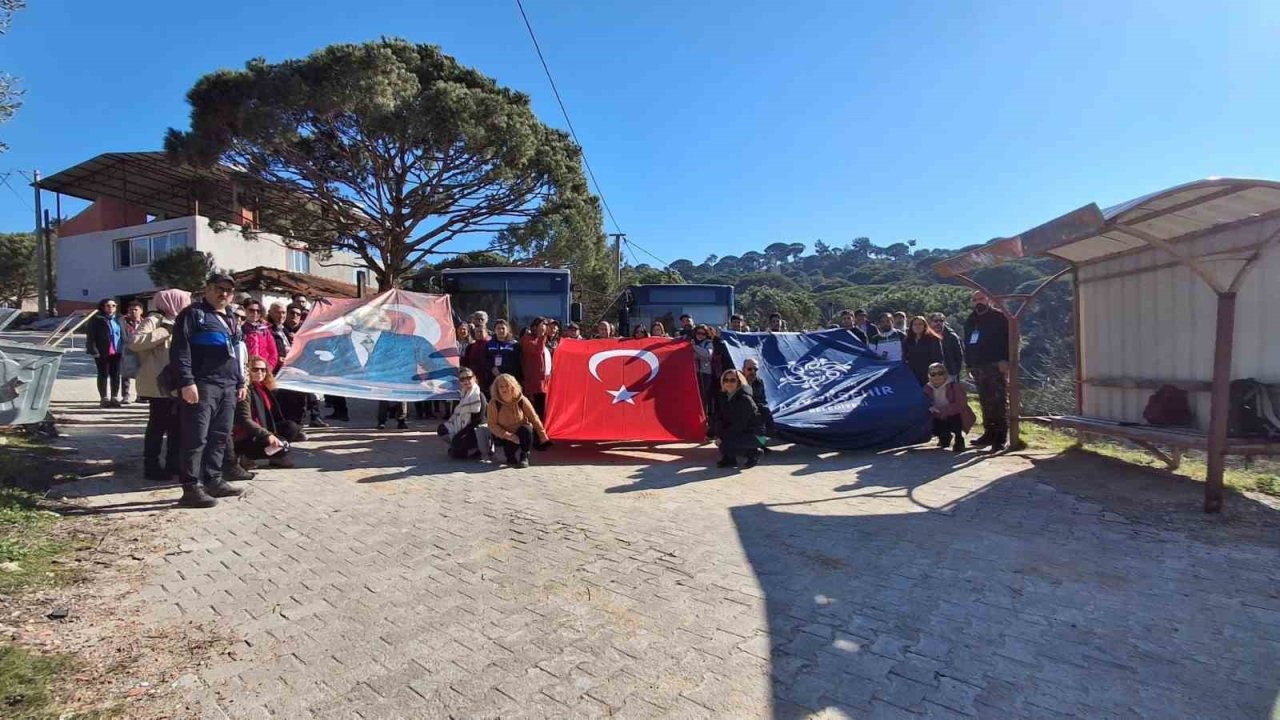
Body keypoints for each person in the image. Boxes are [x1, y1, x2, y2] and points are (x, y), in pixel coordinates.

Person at [170, 273, 247, 508]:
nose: (223, 293)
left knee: (220, 436)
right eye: (218, 288)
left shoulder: (231, 317)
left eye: (228, 290)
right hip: (202, 385)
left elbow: (237, 352)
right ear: (207, 289)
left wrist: (240, 382)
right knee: (196, 438)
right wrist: (186, 382)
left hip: (228, 386)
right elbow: (180, 350)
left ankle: (214, 479)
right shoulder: (193, 314)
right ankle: (191, 488)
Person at [130, 289, 191, 481]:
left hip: (177, 384)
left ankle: (173, 465)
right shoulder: (154, 320)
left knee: (176, 428)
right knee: (157, 427)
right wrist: (165, 331)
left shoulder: (183, 321)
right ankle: (152, 466)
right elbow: (135, 342)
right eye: (184, 301)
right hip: (159, 385)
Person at [234, 356, 304, 469]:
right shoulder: (245, 391)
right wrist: (268, 435)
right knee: (281, 447)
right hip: (247, 434)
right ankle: (245, 456)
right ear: (247, 371)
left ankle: (275, 457)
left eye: (263, 369)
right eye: (255, 369)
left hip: (263, 428)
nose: (260, 372)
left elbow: (274, 416)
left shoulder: (263, 388)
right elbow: (244, 420)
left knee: (290, 427)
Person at [964, 292, 1011, 452]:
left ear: (989, 300)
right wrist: (969, 365)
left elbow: (1010, 338)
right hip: (978, 366)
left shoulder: (999, 317)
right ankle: (988, 434)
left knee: (998, 401)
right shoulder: (971, 319)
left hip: (996, 364)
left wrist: (1006, 359)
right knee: (985, 401)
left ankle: (1000, 438)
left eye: (981, 299)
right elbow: (967, 343)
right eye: (975, 300)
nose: (978, 302)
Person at [487, 373, 550, 468]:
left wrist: (542, 434)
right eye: (501, 386)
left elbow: (534, 417)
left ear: (512, 387)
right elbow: (492, 425)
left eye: (507, 386)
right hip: (505, 434)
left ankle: (524, 456)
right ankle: (511, 456)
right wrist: (508, 436)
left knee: (527, 431)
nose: (504, 389)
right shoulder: (493, 403)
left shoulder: (522, 400)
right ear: (497, 388)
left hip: (521, 429)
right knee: (510, 457)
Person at [712, 369, 761, 469]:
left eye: (732, 380)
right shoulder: (723, 397)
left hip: (758, 435)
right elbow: (719, 417)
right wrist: (716, 433)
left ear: (739, 382)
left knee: (727, 440)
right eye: (726, 380)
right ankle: (729, 458)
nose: (729, 383)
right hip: (740, 431)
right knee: (722, 438)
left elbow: (741, 423)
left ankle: (753, 453)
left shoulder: (745, 399)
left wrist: (723, 436)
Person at [441, 368, 490, 461]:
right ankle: (460, 446)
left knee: (457, 448)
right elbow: (456, 414)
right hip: (465, 426)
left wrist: (461, 433)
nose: (466, 381)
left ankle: (477, 449)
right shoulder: (462, 395)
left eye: (469, 377)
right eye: (462, 379)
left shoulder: (479, 395)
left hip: (478, 429)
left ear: (474, 378)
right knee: (443, 429)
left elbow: (478, 420)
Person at [924, 362, 974, 453]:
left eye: (940, 373)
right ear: (929, 376)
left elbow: (961, 404)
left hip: (954, 415)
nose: (937, 376)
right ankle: (944, 436)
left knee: (955, 418)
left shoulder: (954, 386)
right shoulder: (926, 389)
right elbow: (924, 404)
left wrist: (944, 411)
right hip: (937, 416)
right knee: (931, 423)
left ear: (945, 374)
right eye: (933, 374)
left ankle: (959, 439)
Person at [86, 298, 125, 407]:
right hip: (102, 351)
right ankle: (104, 398)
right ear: (103, 307)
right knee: (103, 374)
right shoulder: (97, 319)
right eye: (108, 305)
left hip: (117, 351)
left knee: (116, 374)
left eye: (114, 305)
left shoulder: (119, 319)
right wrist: (93, 349)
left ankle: (115, 397)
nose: (111, 308)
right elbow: (91, 336)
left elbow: (123, 334)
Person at [520, 317, 552, 418]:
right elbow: (538, 351)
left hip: (545, 381)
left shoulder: (543, 339)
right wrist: (541, 335)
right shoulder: (527, 338)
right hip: (534, 383)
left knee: (545, 410)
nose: (545, 328)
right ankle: (537, 432)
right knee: (538, 411)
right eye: (543, 325)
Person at [741, 358, 775, 450]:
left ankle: (760, 444)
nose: (752, 372)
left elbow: (762, 399)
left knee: (765, 414)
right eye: (749, 369)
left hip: (756, 408)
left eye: (755, 369)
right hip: (740, 410)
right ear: (743, 369)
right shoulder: (736, 380)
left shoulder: (759, 381)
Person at [904, 315, 945, 385]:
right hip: (913, 375)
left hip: (929, 375)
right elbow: (905, 356)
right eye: (915, 324)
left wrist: (935, 374)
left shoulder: (933, 339)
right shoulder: (908, 341)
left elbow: (938, 358)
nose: (917, 326)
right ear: (911, 326)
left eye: (920, 324)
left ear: (924, 326)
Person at [241, 299, 279, 373]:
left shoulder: (264, 330)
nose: (255, 313)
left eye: (258, 311)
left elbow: (273, 352)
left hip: (262, 370)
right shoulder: (240, 329)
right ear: (244, 310)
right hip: (245, 370)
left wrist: (268, 368)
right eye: (251, 310)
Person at [485, 319, 522, 392]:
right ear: (495, 330)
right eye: (498, 328)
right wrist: (492, 368)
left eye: (503, 328)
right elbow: (485, 359)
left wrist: (501, 370)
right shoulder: (489, 344)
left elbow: (516, 362)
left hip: (509, 379)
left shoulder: (514, 344)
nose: (501, 331)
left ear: (507, 330)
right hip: (493, 378)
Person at [119, 301, 145, 404]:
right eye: (131, 310)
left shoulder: (145, 322)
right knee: (125, 373)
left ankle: (141, 395)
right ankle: (125, 395)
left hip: (141, 349)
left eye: (136, 309)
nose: (133, 312)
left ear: (141, 311)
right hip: (126, 349)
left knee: (142, 373)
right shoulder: (123, 322)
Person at [928, 312, 964, 381]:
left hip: (949, 374)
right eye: (936, 321)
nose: (938, 323)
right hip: (931, 374)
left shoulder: (952, 337)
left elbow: (959, 356)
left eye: (941, 321)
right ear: (930, 322)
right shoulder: (927, 337)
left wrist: (955, 372)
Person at [465, 323, 493, 396]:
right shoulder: (471, 346)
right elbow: (467, 361)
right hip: (474, 379)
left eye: (481, 331)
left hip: (488, 379)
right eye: (477, 332)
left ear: (486, 332)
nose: (478, 334)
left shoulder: (491, 344)